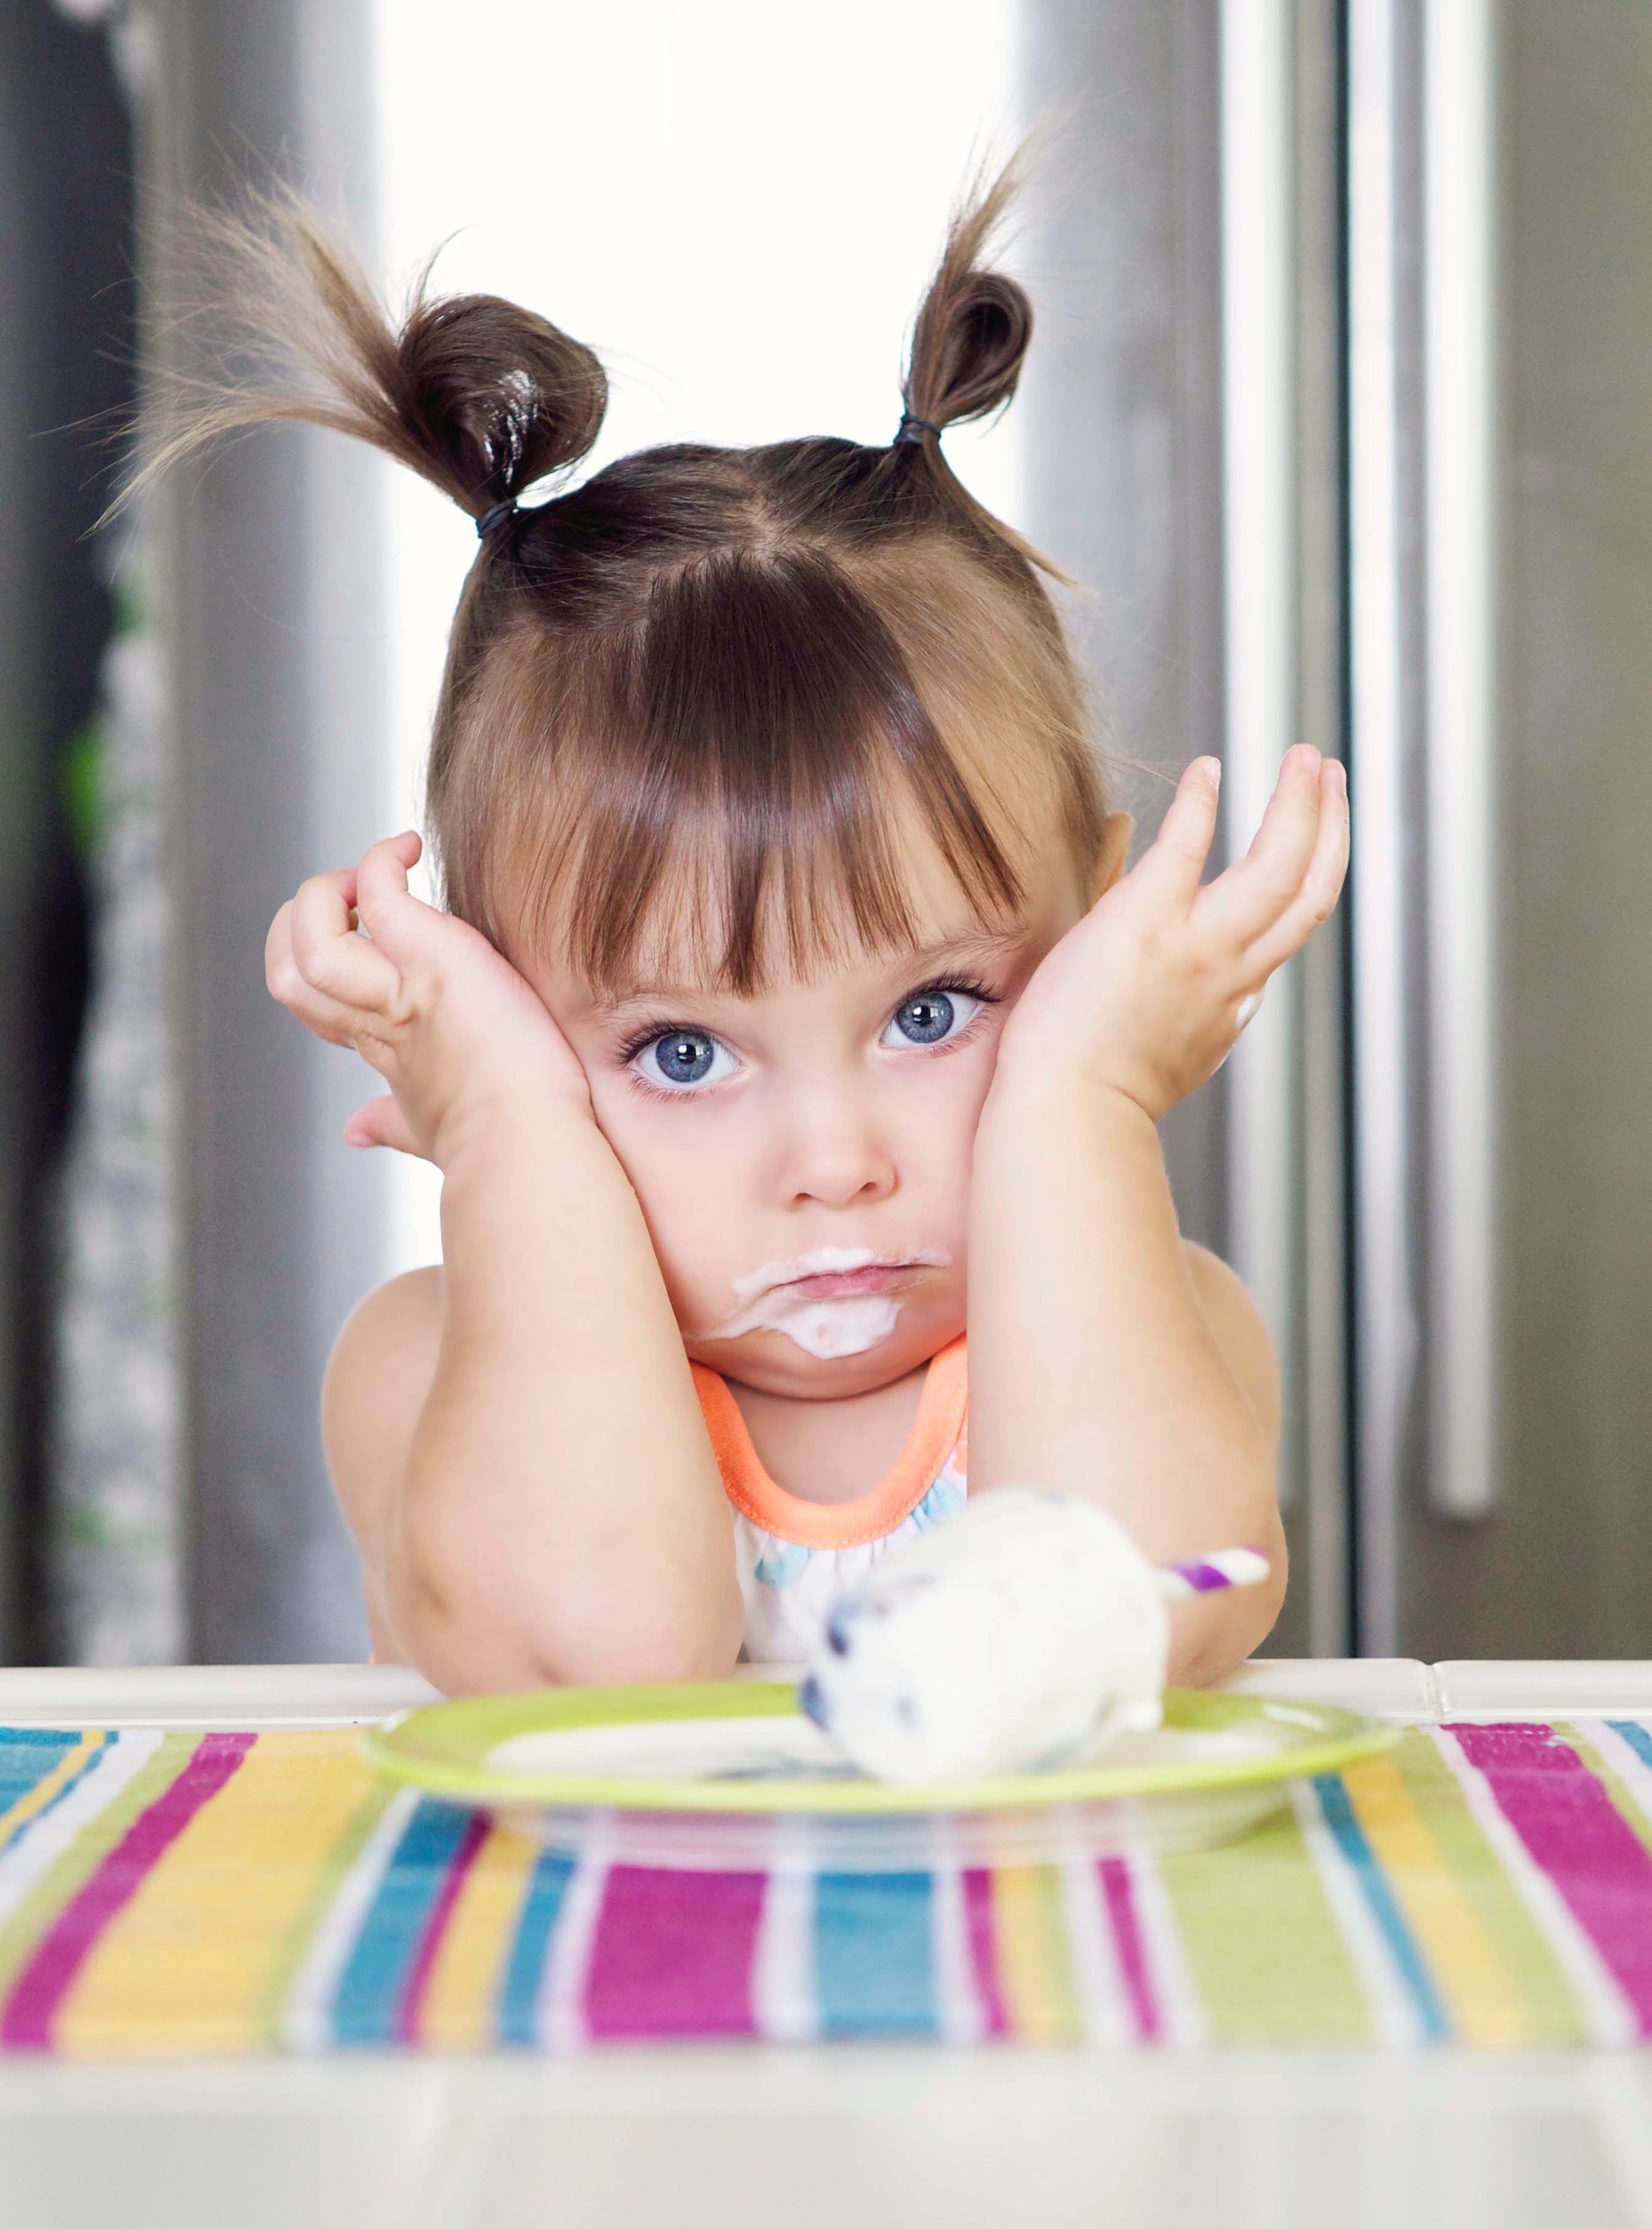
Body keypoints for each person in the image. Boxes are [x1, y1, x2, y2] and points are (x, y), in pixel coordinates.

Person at [152, 165, 1347, 1695]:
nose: (836, 1164)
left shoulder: (1148, 1314)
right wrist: (511, 1133)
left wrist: (1081, 1098)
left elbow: (1117, 1625)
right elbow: (607, 1662)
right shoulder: (421, 1364)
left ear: (1087, 954)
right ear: (497, 1013)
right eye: (681, 1048)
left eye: (937, 1013)